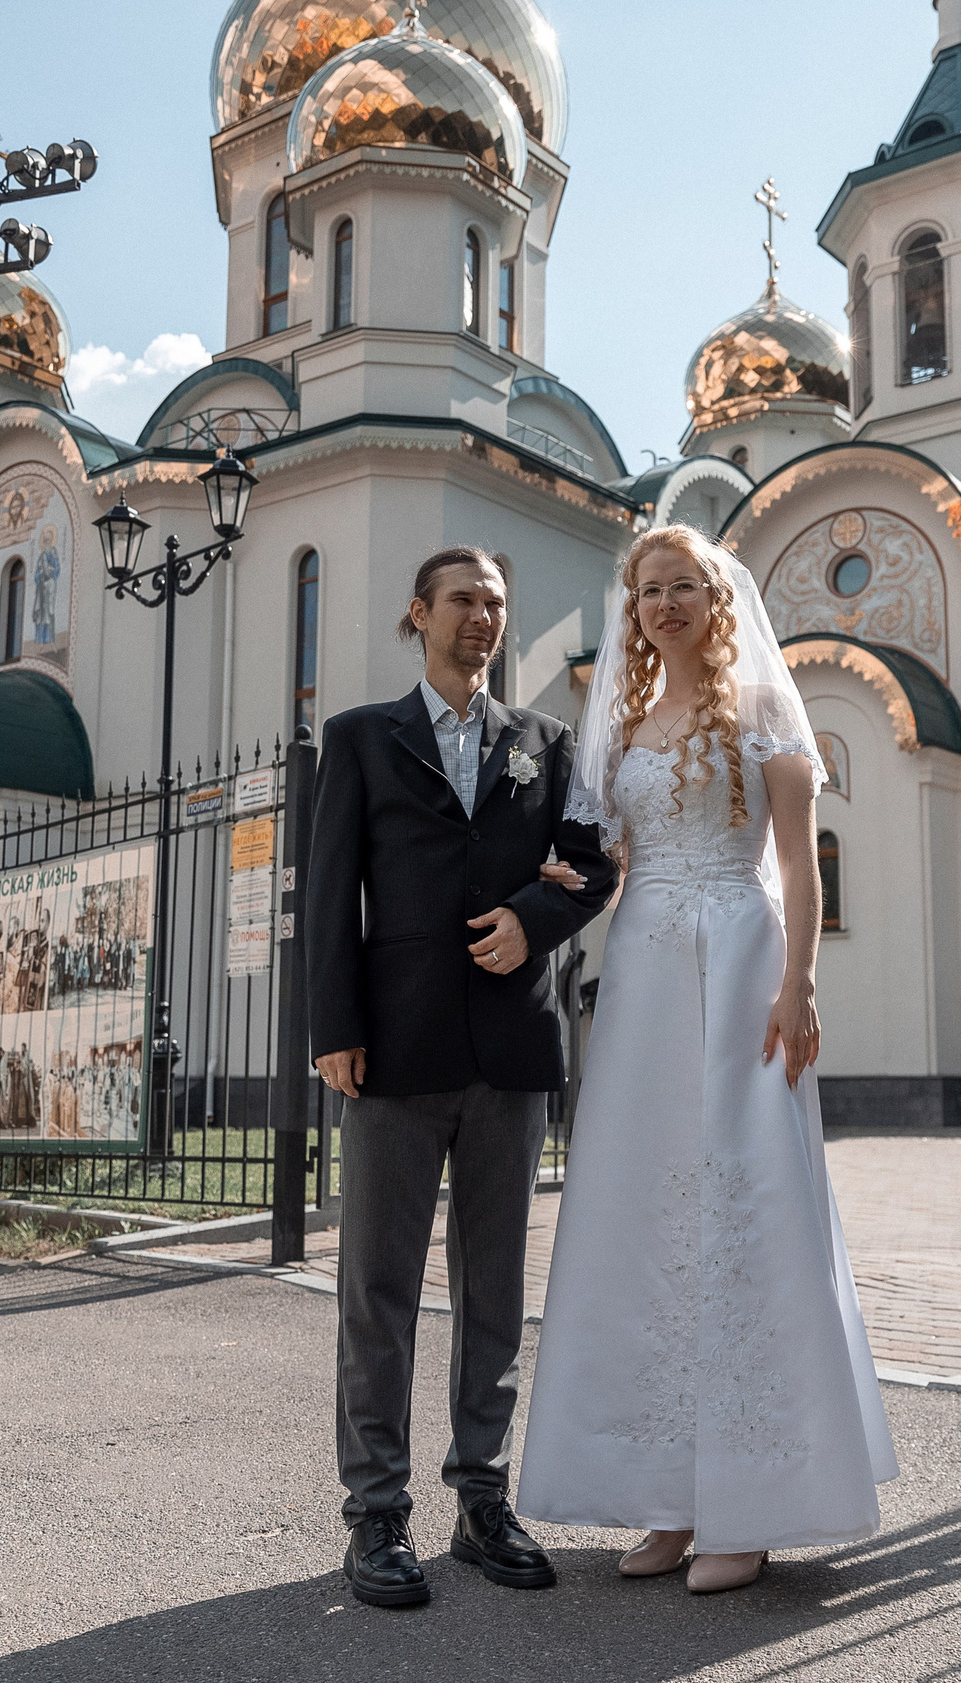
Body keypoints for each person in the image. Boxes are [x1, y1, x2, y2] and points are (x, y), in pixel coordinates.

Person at [517, 524, 900, 1595]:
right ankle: (670, 1500)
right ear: (632, 609)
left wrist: (798, 983)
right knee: (644, 1211)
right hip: (641, 966)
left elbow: (798, 860)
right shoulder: (627, 720)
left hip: (739, 952)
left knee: (744, 1197)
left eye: (686, 585)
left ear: (717, 598)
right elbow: (612, 856)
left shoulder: (765, 709)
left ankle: (754, 1500)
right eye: (650, 590)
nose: (667, 603)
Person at [307, 546, 620, 1609]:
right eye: (463, 601)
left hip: (512, 1055)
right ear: (419, 614)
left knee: (495, 1290)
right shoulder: (356, 739)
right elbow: (327, 900)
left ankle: (481, 1501)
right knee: (378, 1290)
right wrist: (332, 1028)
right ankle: (376, 1514)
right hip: (392, 1050)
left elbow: (595, 864)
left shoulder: (546, 743)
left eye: (495, 601)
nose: (482, 617)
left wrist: (531, 923)